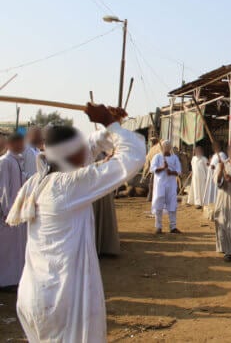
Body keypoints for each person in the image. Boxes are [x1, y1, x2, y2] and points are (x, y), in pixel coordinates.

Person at [7, 103, 145, 343]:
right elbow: (132, 155)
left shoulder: (39, 181)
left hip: (35, 295)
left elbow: (91, 146)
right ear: (71, 154)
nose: (88, 153)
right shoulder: (69, 186)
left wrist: (110, 124)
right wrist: (109, 124)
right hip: (62, 301)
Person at [0, 133, 27, 288]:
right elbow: (4, 189)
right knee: (6, 250)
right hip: (8, 215)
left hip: (16, 212)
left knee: (15, 249)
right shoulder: (5, 162)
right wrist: (7, 212)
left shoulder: (16, 161)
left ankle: (14, 280)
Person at [150, 140, 182, 234]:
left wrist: (171, 172)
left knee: (172, 204)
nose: (167, 148)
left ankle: (173, 227)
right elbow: (152, 169)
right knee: (158, 203)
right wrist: (163, 168)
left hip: (171, 184)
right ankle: (158, 227)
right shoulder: (157, 157)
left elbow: (179, 171)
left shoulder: (175, 158)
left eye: (169, 146)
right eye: (165, 146)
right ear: (162, 147)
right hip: (160, 185)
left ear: (170, 147)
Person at [203, 141, 227, 206]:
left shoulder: (222, 155)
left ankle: (216, 203)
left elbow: (223, 165)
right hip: (211, 176)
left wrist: (215, 167)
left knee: (216, 190)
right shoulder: (214, 155)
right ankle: (210, 203)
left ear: (220, 147)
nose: (214, 148)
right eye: (214, 147)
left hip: (217, 177)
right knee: (211, 190)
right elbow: (213, 164)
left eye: (216, 146)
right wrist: (210, 165)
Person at [142, 136, 161, 202]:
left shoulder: (152, 150)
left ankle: (150, 197)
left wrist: (144, 175)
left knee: (152, 183)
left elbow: (147, 165)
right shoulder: (157, 148)